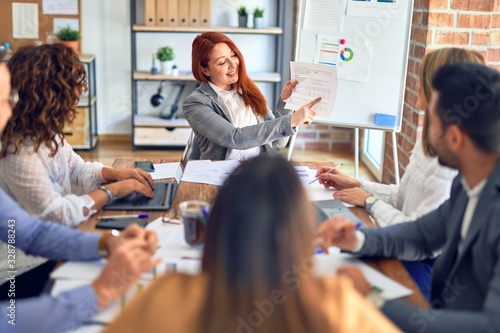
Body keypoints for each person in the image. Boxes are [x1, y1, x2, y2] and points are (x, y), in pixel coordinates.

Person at [103, 155, 398, 333]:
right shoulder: (337, 302)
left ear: (217, 223)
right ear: (302, 233)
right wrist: (371, 298)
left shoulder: (166, 297)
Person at [316, 62, 500, 332]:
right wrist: (358, 238)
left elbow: (490, 326)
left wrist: (371, 300)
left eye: (432, 122)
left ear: (456, 138)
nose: (428, 133)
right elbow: (423, 235)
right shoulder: (468, 183)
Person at [0, 62, 160, 333]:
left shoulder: (45, 137)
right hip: (13, 278)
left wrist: (109, 243)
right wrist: (100, 292)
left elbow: (33, 234)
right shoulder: (17, 153)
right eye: (5, 99)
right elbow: (9, 320)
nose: (10, 108)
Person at [0, 44, 155, 227]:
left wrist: (114, 173)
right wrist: (112, 190)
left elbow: (76, 169)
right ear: (47, 93)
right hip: (31, 254)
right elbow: (57, 214)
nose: (82, 90)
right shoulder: (16, 151)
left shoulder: (45, 131)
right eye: (72, 83)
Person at [183, 31, 320, 161]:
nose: (233, 65)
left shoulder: (247, 90)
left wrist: (285, 102)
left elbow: (278, 142)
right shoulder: (195, 103)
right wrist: (291, 121)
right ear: (205, 70)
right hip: (219, 175)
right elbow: (234, 138)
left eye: (233, 55)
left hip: (256, 171)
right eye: (222, 62)